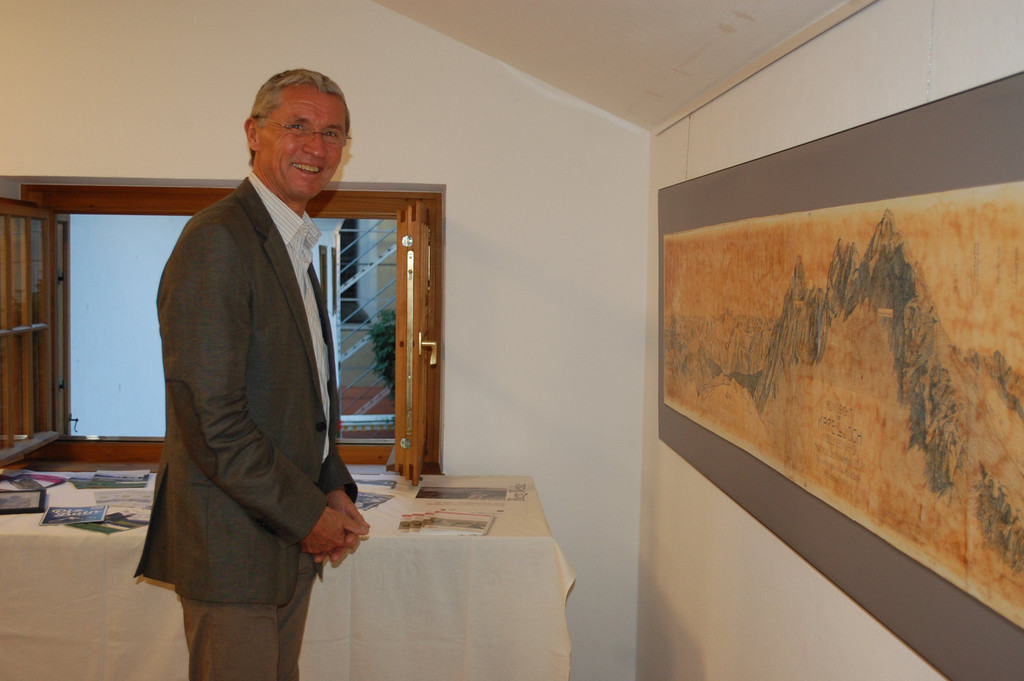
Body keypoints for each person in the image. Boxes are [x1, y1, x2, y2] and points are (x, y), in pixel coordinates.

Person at [135, 68, 370, 681]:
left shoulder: (292, 240)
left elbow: (302, 399)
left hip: (284, 535)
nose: (316, 147)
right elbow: (213, 421)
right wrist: (308, 516)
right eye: (298, 126)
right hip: (234, 550)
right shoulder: (218, 240)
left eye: (333, 133)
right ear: (253, 133)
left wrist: (331, 486)